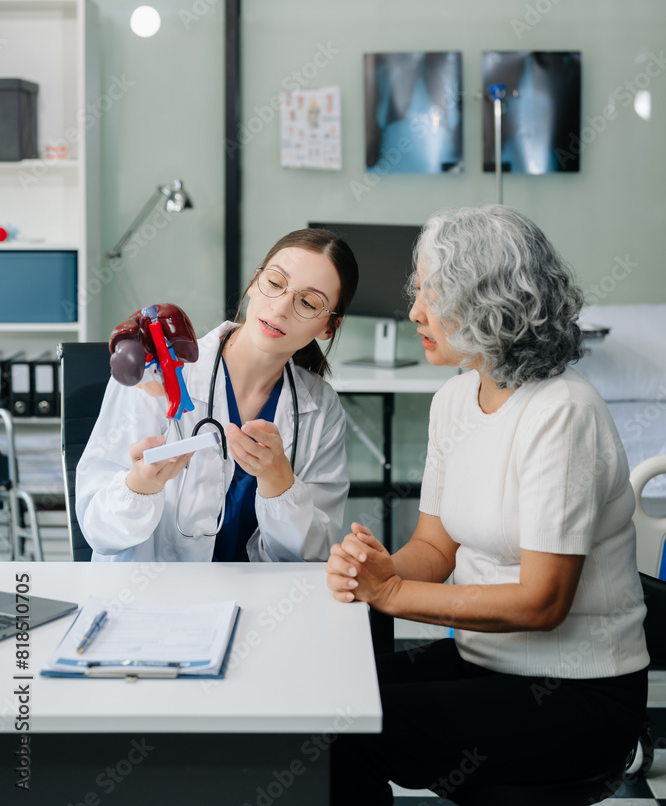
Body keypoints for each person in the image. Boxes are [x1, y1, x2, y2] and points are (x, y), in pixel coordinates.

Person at [326, 205, 648, 802]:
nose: (415, 311)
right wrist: (379, 568)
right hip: (487, 664)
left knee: (349, 733)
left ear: (491, 303)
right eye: (417, 290)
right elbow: (433, 547)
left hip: (580, 691)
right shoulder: (454, 400)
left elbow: (543, 601)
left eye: (434, 293)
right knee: (326, 696)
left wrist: (391, 595)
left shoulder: (563, 412)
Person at [76, 228, 358, 562]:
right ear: (254, 283)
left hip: (264, 603)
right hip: (155, 600)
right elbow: (97, 529)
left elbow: (315, 554)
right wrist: (140, 486)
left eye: (309, 303)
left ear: (328, 328)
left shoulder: (320, 409)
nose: (281, 307)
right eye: (274, 283)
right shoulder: (156, 376)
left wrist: (280, 482)